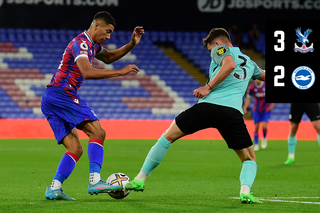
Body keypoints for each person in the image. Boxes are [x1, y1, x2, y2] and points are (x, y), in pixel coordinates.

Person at [126, 28, 265, 204]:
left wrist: (208, 87)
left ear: (217, 43)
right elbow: (267, 76)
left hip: (207, 107)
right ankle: (245, 192)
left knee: (167, 138)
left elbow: (229, 64)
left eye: (209, 50)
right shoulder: (249, 62)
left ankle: (139, 179)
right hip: (232, 113)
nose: (211, 54)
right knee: (249, 158)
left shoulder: (220, 49)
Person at [41, 11, 144, 200]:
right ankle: (95, 180)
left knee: (75, 149)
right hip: (62, 93)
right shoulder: (81, 44)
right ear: (97, 25)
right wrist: (120, 72)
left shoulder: (91, 46)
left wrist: (131, 44)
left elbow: (109, 57)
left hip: (51, 98)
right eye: (107, 31)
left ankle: (54, 187)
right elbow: (87, 72)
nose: (108, 36)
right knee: (98, 132)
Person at [243, 79, 274, 151]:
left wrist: (272, 104)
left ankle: (264, 138)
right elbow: (248, 98)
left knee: (264, 126)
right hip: (256, 110)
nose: (256, 80)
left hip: (266, 109)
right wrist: (245, 107)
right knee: (256, 127)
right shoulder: (252, 87)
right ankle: (256, 144)